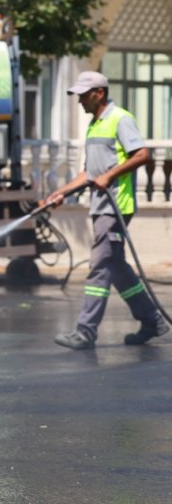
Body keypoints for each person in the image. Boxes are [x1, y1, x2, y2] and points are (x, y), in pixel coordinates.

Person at [41, 70, 167, 350]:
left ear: (99, 93)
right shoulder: (94, 125)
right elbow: (88, 173)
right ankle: (152, 320)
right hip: (101, 207)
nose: (79, 101)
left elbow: (142, 155)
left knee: (99, 267)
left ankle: (86, 331)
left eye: (83, 96)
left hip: (117, 206)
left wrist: (110, 175)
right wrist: (60, 193)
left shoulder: (120, 119)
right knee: (117, 268)